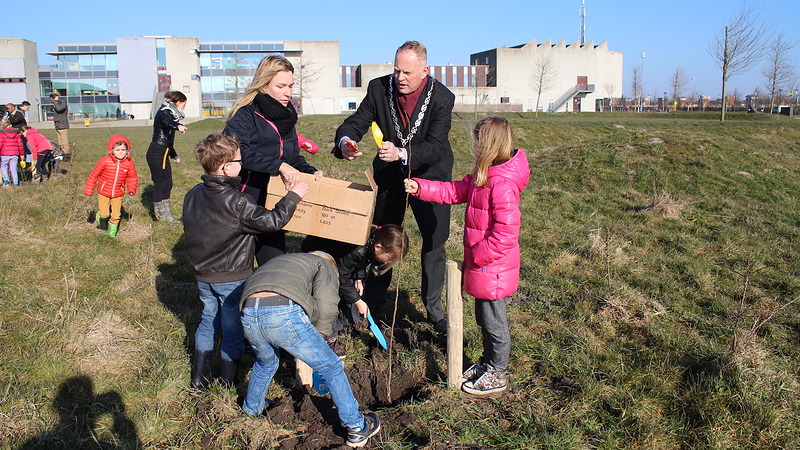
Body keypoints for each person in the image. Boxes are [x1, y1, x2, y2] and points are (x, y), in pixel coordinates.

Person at [333, 41, 455, 333]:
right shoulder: (378, 89)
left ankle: (434, 310)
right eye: (397, 70)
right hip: (389, 178)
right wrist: (345, 141)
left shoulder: (442, 98)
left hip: (431, 178)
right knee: (380, 239)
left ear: (425, 71)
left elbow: (437, 147)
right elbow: (356, 121)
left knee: (434, 242)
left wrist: (402, 153)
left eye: (408, 72)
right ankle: (370, 302)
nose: (400, 77)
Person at [404, 117, 530, 395]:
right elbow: (455, 190)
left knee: (494, 322)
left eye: (476, 141)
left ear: (488, 145)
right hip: (485, 268)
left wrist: (478, 256)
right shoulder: (484, 177)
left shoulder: (502, 185)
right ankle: (487, 362)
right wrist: (421, 187)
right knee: (484, 319)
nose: (473, 146)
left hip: (493, 269)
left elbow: (506, 234)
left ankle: (498, 372)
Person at [182, 132, 309, 390]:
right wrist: (293, 196)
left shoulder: (193, 194)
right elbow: (272, 222)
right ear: (227, 168)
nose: (243, 165)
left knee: (208, 321)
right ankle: (229, 381)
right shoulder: (238, 201)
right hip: (232, 276)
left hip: (203, 274)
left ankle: (199, 378)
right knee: (232, 328)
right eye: (240, 161)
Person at [239, 251, 382, 448]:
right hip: (281, 311)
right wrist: (321, 339)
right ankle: (356, 427)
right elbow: (325, 304)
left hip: (248, 312)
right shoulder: (324, 266)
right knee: (331, 365)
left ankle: (251, 409)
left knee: (266, 362)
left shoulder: (284, 261)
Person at [224, 55, 322, 265]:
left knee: (274, 266)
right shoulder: (244, 115)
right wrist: (278, 165)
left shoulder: (287, 117)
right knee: (238, 271)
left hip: (275, 203)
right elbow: (238, 153)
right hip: (245, 201)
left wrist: (310, 171)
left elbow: (292, 156)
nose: (288, 92)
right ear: (264, 84)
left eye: (291, 86)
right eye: (281, 86)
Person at [301, 224, 409, 355]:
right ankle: (329, 335)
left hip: (340, 262)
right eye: (390, 259)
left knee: (351, 297)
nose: (388, 263)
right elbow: (342, 277)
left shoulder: (369, 244)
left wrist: (358, 279)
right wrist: (358, 301)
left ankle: (346, 325)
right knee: (329, 297)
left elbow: (359, 263)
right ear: (378, 247)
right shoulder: (356, 250)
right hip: (319, 255)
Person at [83, 135, 139, 237]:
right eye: (118, 150)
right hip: (103, 192)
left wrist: (131, 189)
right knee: (104, 214)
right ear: (111, 150)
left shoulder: (129, 163)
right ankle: (100, 217)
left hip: (118, 193)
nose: (121, 152)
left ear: (127, 150)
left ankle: (111, 234)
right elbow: (94, 175)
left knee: (116, 215)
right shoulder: (105, 161)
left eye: (123, 149)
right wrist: (89, 189)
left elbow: (132, 177)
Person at [146, 91, 187, 223]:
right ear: (178, 102)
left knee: (168, 183)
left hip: (163, 151)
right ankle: (161, 217)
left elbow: (167, 138)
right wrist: (178, 126)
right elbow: (167, 122)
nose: (183, 108)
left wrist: (173, 154)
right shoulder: (165, 111)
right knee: (160, 184)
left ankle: (167, 216)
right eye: (183, 105)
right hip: (157, 153)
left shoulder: (171, 113)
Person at [0, 119, 24, 186]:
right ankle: (16, 183)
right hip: (15, 154)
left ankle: (6, 181)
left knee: (3, 167)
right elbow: (20, 145)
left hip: (4, 154)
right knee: (13, 169)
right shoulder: (16, 133)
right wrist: (22, 154)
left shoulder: (1, 133)